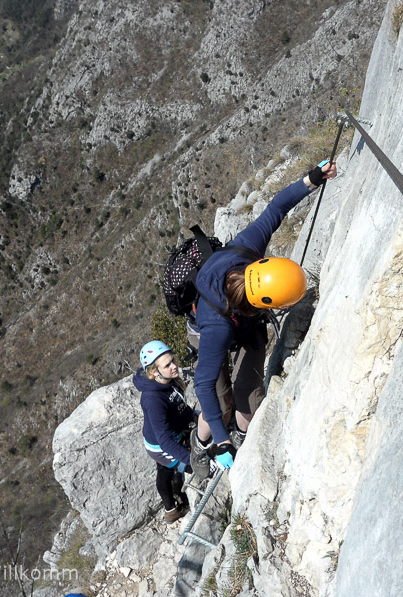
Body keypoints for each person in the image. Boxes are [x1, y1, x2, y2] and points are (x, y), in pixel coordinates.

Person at [188, 160, 338, 478]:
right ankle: (199, 446)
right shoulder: (215, 328)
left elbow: (276, 207)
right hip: (206, 332)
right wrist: (220, 438)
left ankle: (244, 437)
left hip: (245, 324)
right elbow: (201, 382)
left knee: (249, 397)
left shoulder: (248, 250)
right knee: (219, 401)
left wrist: (311, 179)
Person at [133, 340, 197, 523]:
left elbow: (180, 407)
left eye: (173, 361)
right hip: (160, 445)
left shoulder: (169, 381)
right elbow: (165, 442)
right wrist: (192, 460)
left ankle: (171, 505)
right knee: (168, 470)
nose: (174, 366)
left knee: (166, 471)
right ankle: (171, 510)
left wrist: (195, 416)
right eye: (167, 365)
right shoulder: (152, 399)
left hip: (171, 434)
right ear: (153, 371)